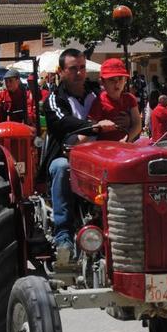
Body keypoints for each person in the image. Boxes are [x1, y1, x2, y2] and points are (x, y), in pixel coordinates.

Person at [41, 48, 117, 264]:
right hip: (68, 156)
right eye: (73, 68)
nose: (79, 73)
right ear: (61, 71)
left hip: (100, 156)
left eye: (82, 68)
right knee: (60, 167)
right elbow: (62, 122)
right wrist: (94, 127)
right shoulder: (54, 99)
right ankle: (63, 234)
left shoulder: (96, 94)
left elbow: (114, 108)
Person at [88, 58, 142, 142]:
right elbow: (91, 126)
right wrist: (100, 126)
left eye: (120, 78)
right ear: (103, 82)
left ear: (125, 80)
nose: (117, 83)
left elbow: (137, 124)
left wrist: (126, 140)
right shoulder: (100, 101)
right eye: (111, 79)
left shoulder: (130, 98)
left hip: (125, 145)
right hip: (105, 147)